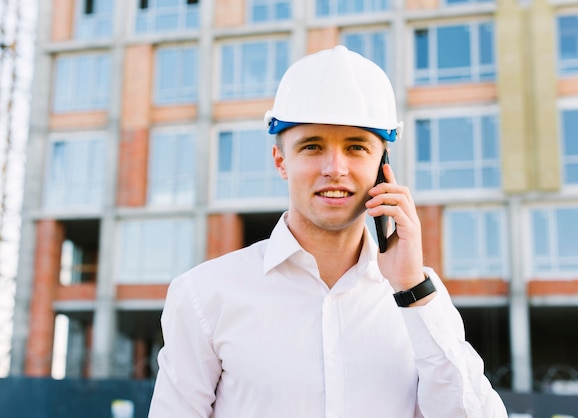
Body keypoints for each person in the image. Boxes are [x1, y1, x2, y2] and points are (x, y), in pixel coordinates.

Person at [148, 45, 508, 417]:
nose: (335, 168)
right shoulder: (204, 294)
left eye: (356, 147)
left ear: (383, 168)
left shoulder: (421, 297)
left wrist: (412, 291)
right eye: (312, 146)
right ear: (281, 161)